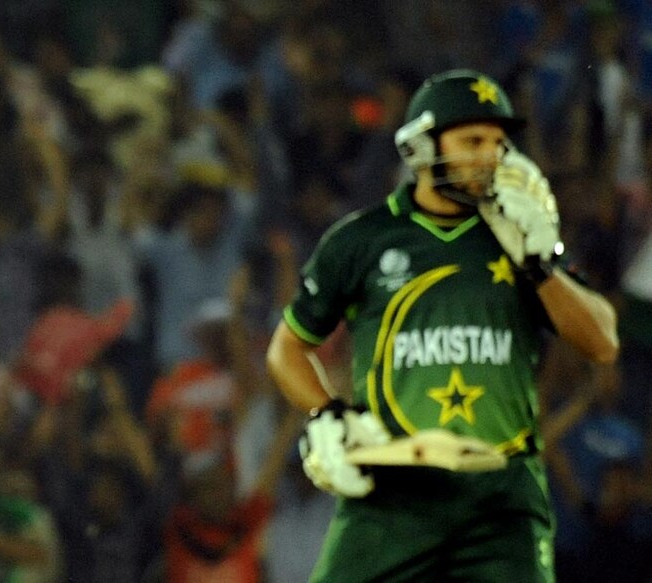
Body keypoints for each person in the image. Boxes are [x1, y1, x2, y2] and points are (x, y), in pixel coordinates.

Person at [265, 69, 619, 582]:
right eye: (472, 140)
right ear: (421, 146)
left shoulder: (520, 233)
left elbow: (602, 342)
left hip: (502, 497)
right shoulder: (362, 240)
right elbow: (286, 350)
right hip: (392, 492)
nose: (491, 155)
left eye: (498, 142)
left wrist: (541, 261)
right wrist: (325, 413)